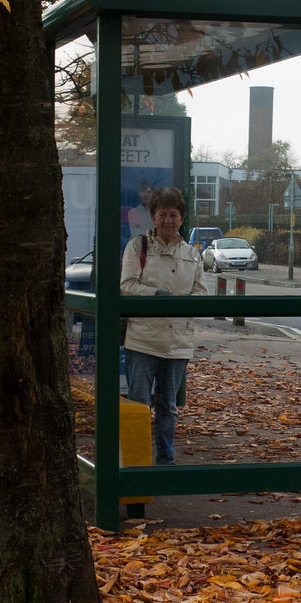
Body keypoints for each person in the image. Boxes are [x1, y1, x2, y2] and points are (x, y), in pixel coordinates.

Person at [120, 186, 207, 465]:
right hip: (142, 341)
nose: (168, 220)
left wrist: (185, 302)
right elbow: (128, 286)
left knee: (168, 407)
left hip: (177, 343)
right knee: (138, 405)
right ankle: (135, 463)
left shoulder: (193, 255)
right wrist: (157, 296)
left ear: (181, 218)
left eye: (174, 215)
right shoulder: (137, 246)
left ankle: (165, 463)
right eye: (162, 214)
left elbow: (202, 294)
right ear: (153, 217)